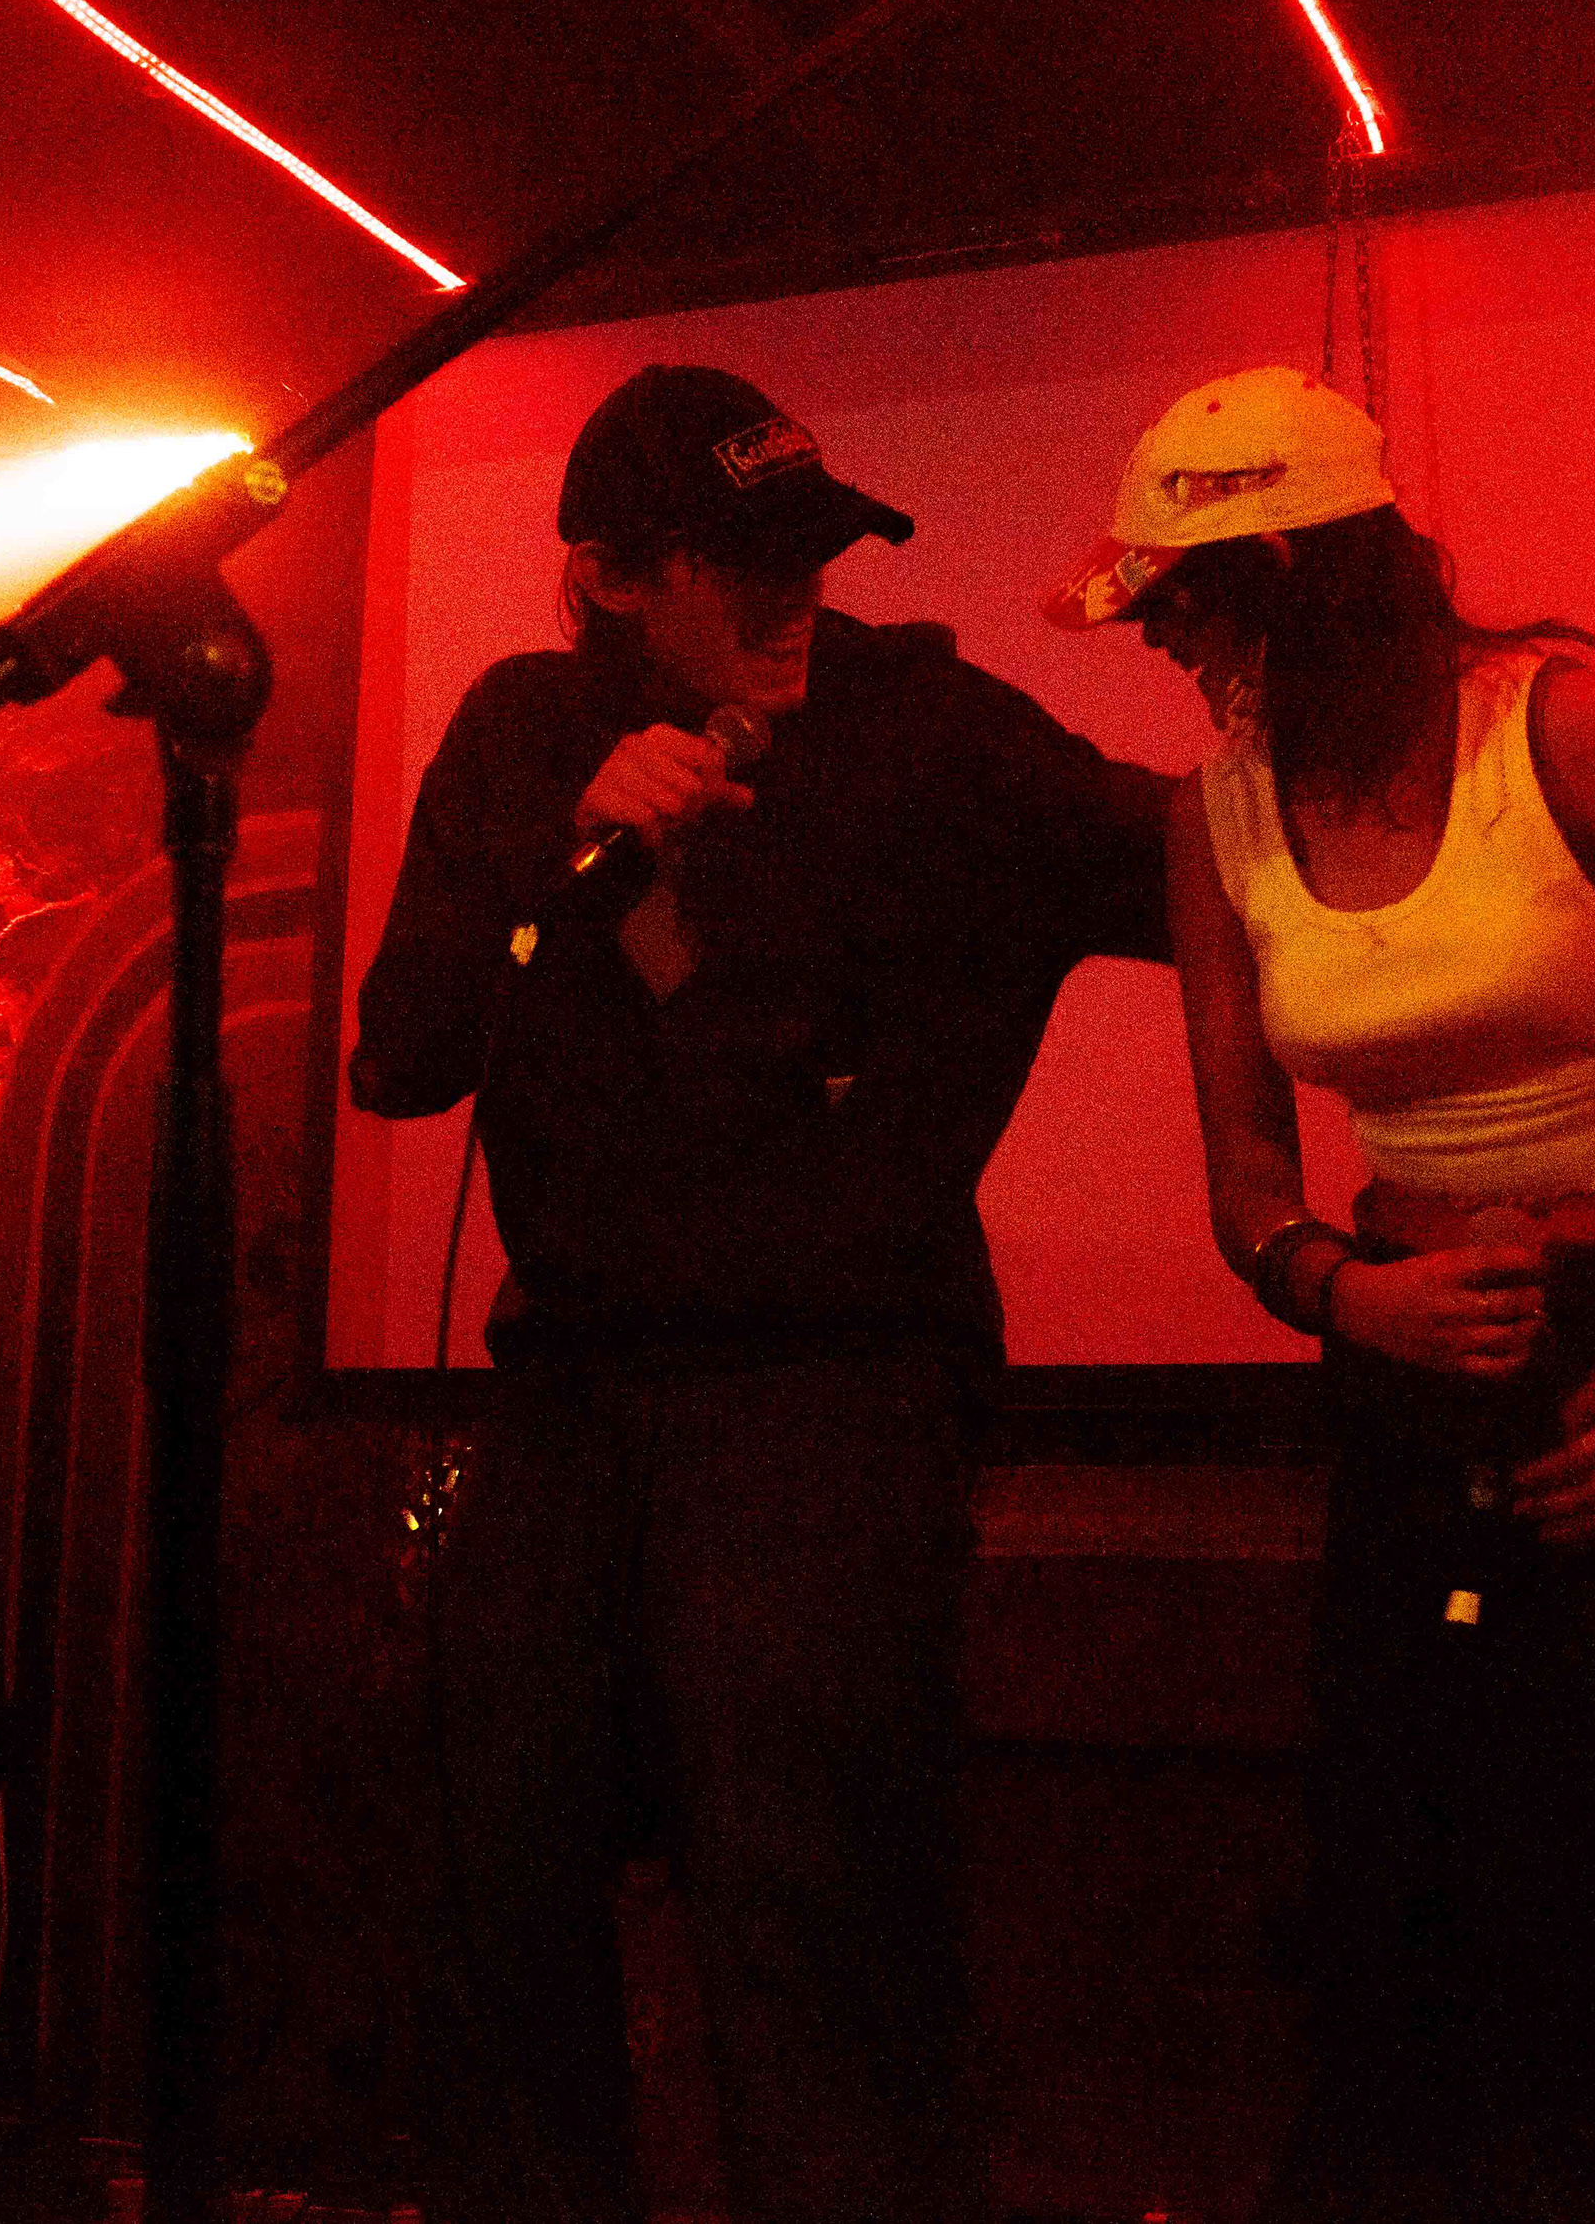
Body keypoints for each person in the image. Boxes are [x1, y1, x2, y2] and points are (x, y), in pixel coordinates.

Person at [1047, 367, 1595, 2221]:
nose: (1167, 644)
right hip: (1415, 1340)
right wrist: (1344, 1295)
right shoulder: (1218, 815)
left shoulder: (1562, 731)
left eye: (1192, 603)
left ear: (1303, 582)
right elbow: (1247, 1176)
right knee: (1400, 1853)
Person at [350, 364, 1168, 2224]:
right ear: (610, 578)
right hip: (570, 1388)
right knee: (501, 1864)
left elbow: (1192, 858)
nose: (800, 592)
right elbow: (399, 1060)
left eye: (817, 547)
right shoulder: (523, 726)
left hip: (829, 1387)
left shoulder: (927, 728)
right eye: (746, 563)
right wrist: (564, 850)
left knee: (810, 1910)